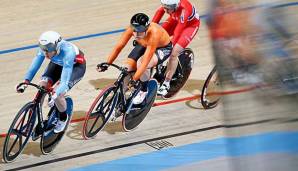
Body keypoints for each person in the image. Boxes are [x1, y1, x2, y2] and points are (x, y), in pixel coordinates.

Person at [16, 31, 86, 133]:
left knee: (58, 93)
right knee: (42, 86)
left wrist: (55, 94)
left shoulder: (68, 52)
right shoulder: (45, 49)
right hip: (57, 64)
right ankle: (33, 116)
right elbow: (34, 66)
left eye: (49, 50)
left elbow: (65, 81)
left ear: (57, 46)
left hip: (74, 68)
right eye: (44, 49)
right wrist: (26, 81)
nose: (46, 53)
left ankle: (63, 118)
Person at [97, 13, 172, 104]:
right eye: (134, 30)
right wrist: (107, 63)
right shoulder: (131, 29)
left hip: (162, 48)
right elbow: (118, 47)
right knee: (127, 69)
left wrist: (135, 79)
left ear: (147, 28)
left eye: (140, 31)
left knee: (141, 63)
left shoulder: (154, 33)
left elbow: (145, 62)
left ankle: (144, 90)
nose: (136, 34)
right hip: (144, 44)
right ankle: (120, 99)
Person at [152, 0, 200, 96]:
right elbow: (159, 13)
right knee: (156, 37)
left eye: (168, 8)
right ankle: (160, 64)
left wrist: (170, 47)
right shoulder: (170, 5)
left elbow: (178, 32)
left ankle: (166, 83)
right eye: (164, 6)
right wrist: (150, 29)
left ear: (176, 6)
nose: (166, 10)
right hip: (175, 20)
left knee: (173, 53)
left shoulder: (184, 10)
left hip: (189, 27)